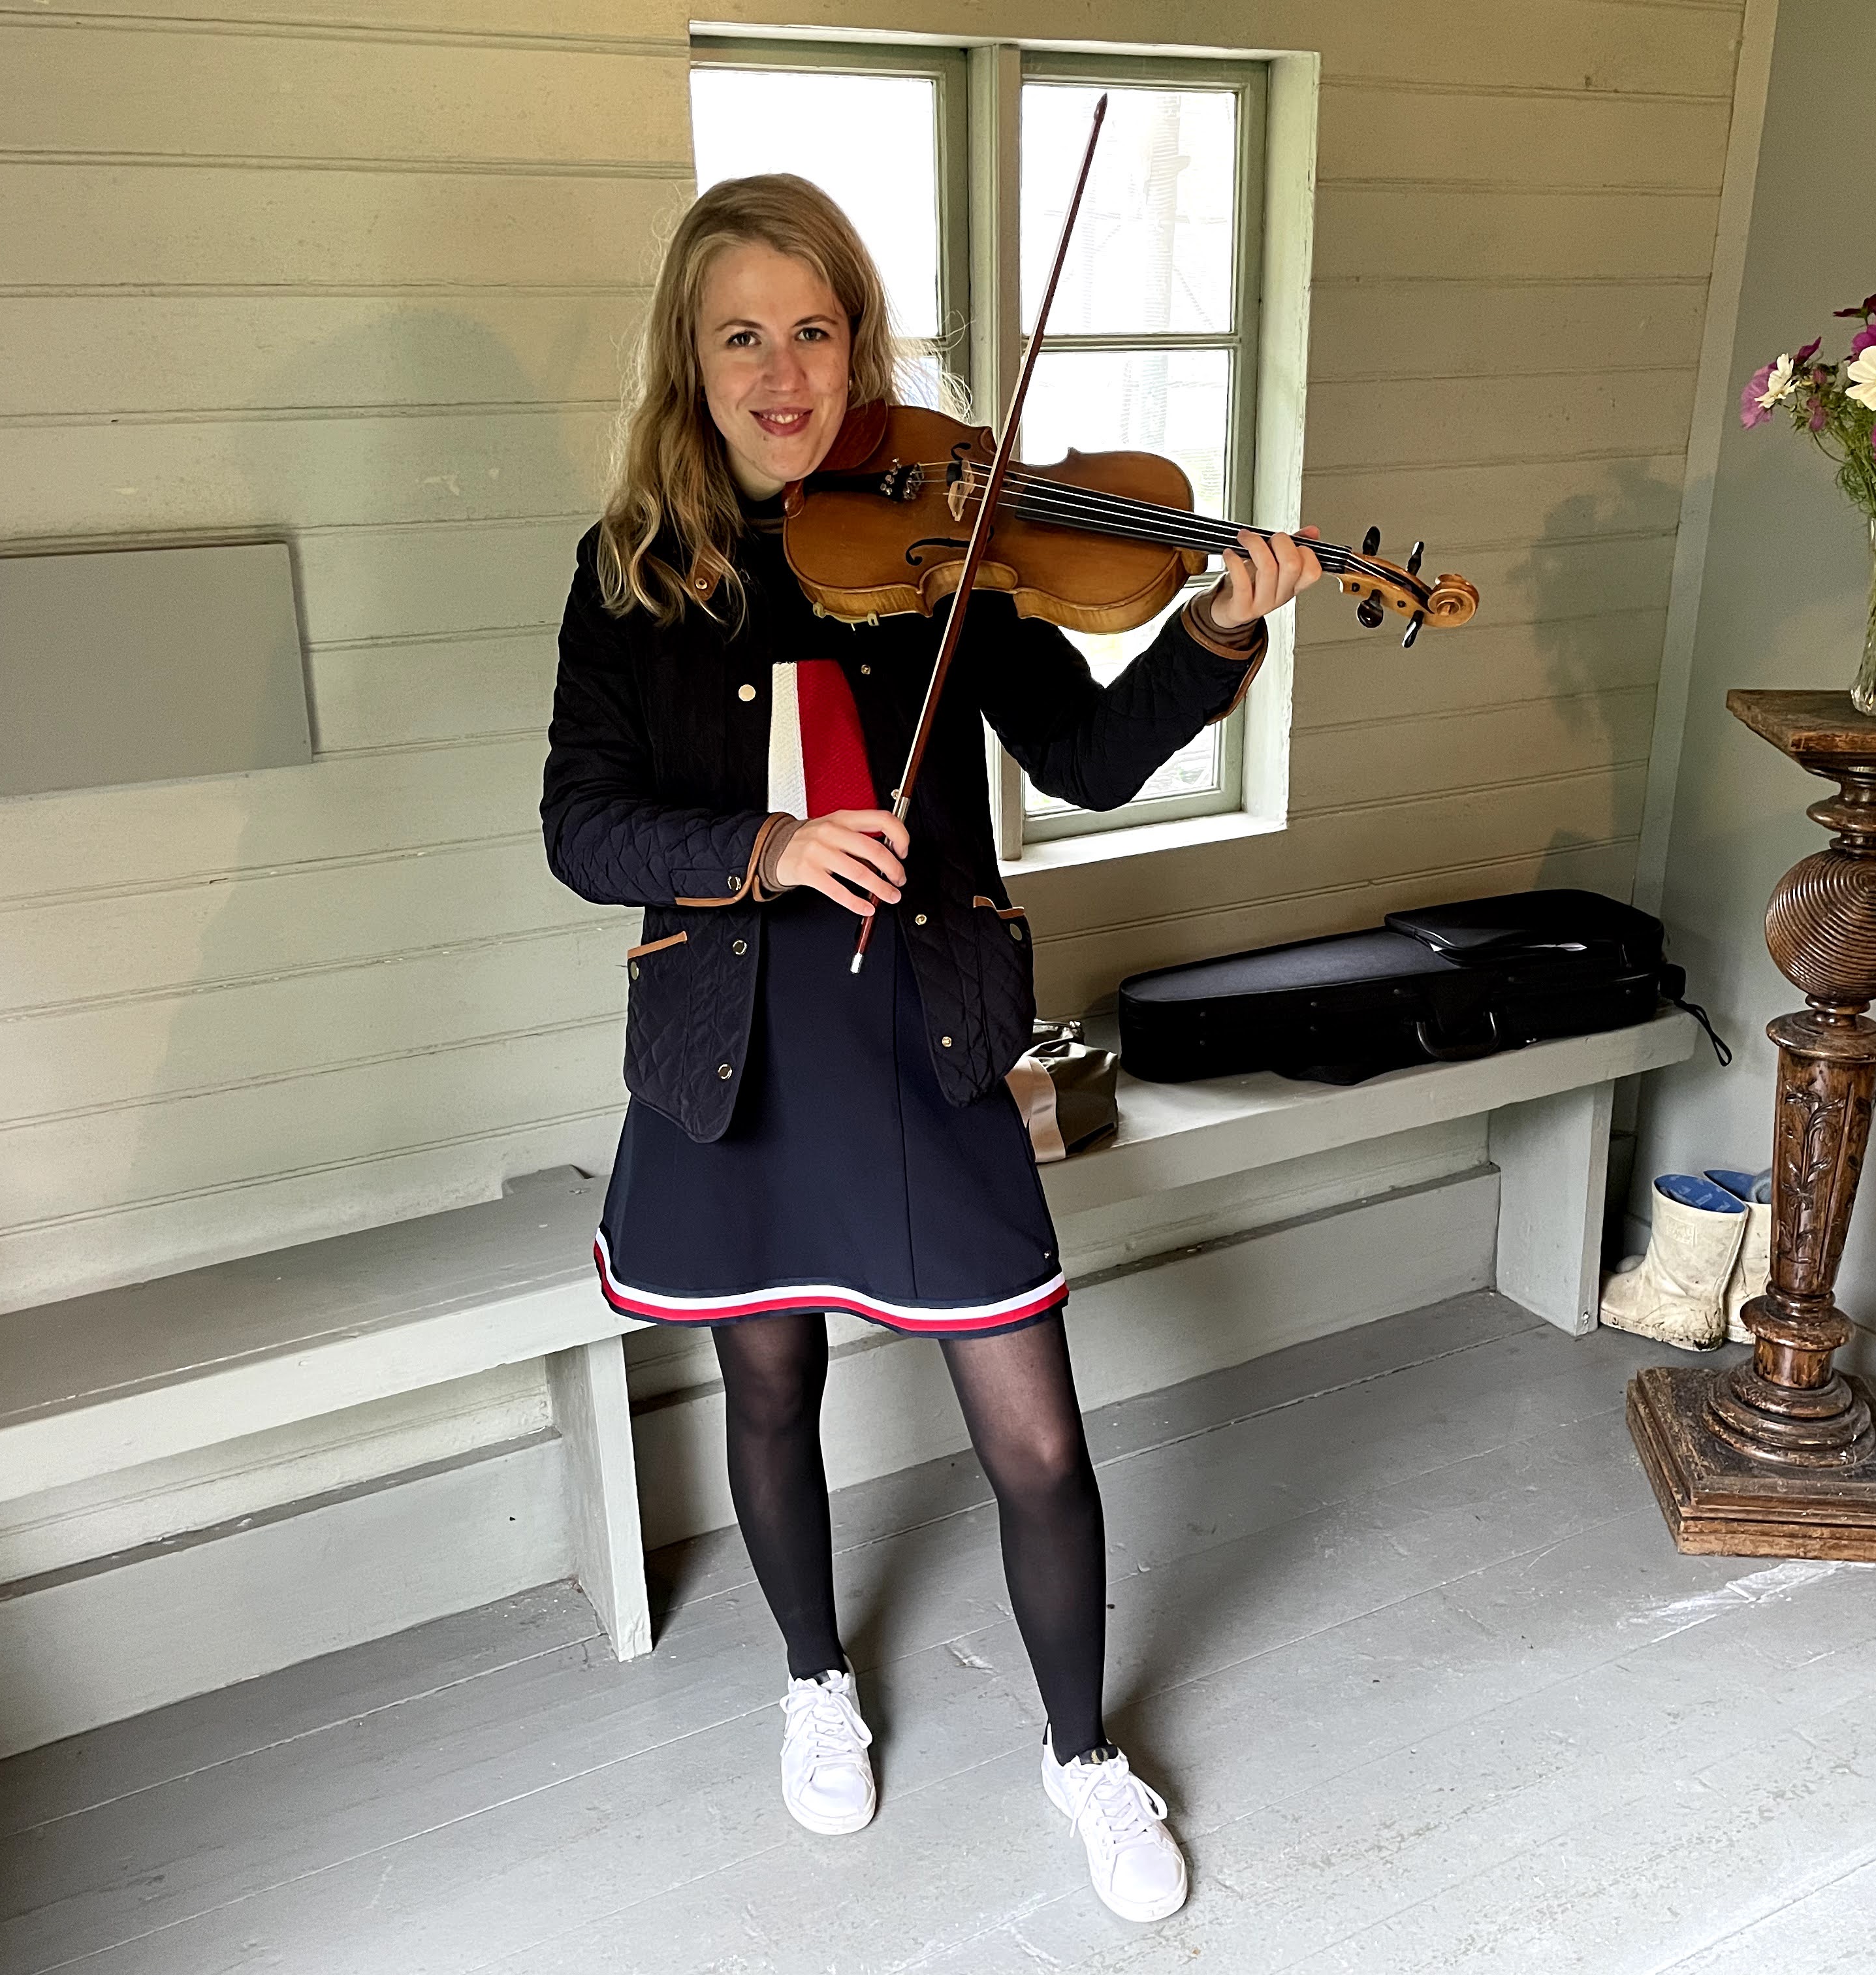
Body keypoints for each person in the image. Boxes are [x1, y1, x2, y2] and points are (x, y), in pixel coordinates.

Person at [539, 172, 1319, 1924]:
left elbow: (1091, 762)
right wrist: (765, 848)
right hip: (732, 1052)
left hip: (924, 1031)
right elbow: (582, 826)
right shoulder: (632, 574)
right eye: (743, 335)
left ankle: (1083, 1756)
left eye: (815, 330)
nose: (784, 372)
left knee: (1036, 1438)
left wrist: (1215, 632)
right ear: (689, 358)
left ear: (860, 346)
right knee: (767, 1384)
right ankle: (815, 1680)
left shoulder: (948, 539)